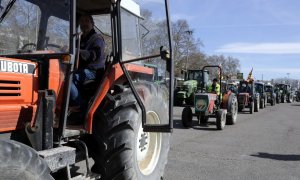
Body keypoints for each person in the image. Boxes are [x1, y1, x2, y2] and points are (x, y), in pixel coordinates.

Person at [69, 14, 105, 114]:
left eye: (86, 21)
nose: (84, 23)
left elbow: (93, 56)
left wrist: (77, 51)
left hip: (93, 71)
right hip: (80, 69)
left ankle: (81, 109)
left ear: (92, 24)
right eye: (82, 21)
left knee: (68, 79)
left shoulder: (97, 39)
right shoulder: (78, 39)